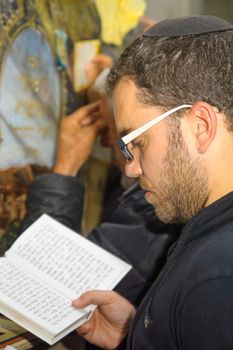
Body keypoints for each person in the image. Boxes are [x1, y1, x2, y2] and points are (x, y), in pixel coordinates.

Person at [69, 15, 233, 350]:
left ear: (200, 126)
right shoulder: (207, 229)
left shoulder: (218, 281)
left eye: (137, 143)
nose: (130, 169)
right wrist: (135, 334)